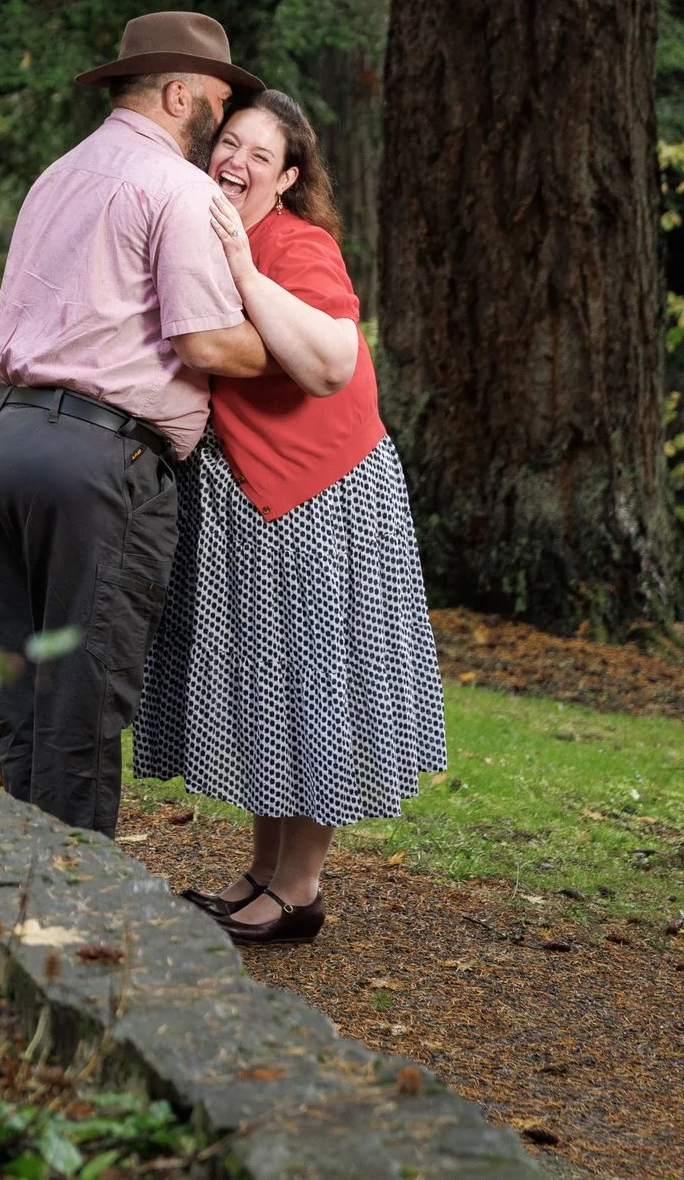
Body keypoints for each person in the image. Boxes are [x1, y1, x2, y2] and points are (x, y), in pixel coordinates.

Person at [131, 91, 448, 944]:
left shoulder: (299, 244)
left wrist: (242, 269)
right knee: (272, 685)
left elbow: (333, 360)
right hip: (255, 497)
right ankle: (265, 870)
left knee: (313, 686)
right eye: (228, 142)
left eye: (259, 155)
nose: (235, 161)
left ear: (287, 178)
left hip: (322, 499)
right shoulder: (207, 231)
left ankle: (300, 888)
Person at [0, 12, 270, 837]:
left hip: (2, 439)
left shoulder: (58, 174)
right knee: (84, 694)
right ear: (178, 94)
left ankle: (19, 877)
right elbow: (206, 340)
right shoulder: (178, 187)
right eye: (216, 99)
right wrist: (299, 344)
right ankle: (71, 900)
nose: (220, 118)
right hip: (97, 461)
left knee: (25, 687)